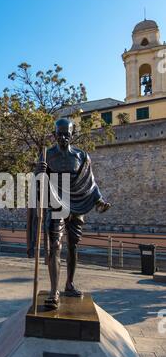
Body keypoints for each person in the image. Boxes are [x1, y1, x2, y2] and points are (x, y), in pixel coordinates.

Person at [28, 117, 111, 309]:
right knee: (55, 246)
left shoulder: (82, 156)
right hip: (56, 206)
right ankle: (54, 291)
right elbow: (38, 183)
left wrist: (99, 200)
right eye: (60, 134)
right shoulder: (46, 155)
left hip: (78, 206)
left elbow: (90, 182)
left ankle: (70, 284)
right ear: (54, 134)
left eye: (67, 134)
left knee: (73, 246)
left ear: (72, 134)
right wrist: (37, 172)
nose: (63, 137)